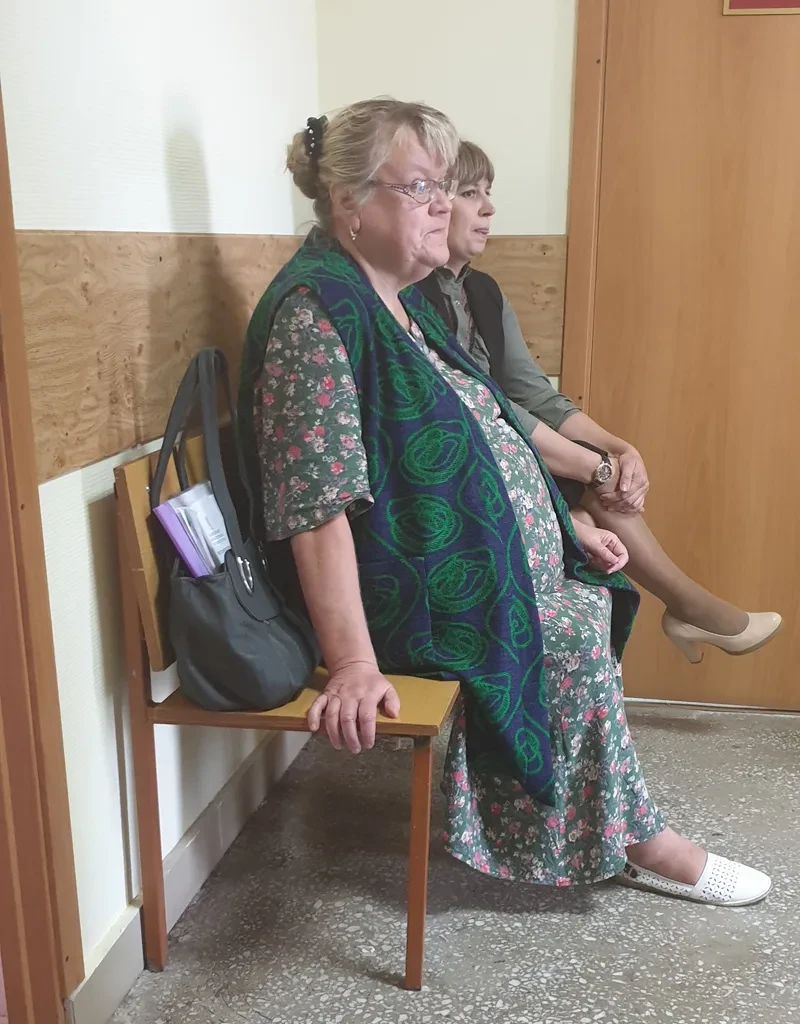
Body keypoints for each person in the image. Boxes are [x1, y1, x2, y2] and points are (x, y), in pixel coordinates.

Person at [238, 99, 770, 905]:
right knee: (564, 626)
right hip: (397, 596)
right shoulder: (317, 315)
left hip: (450, 561)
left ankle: (612, 823)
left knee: (584, 596)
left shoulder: (396, 300)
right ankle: (640, 841)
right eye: (421, 187)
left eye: (444, 186)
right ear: (350, 202)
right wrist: (352, 664)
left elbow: (488, 427)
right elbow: (316, 509)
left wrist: (561, 524)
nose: (442, 206)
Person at [417, 141, 782, 665]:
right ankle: (689, 606)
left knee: (593, 493)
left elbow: (532, 392)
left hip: (511, 453)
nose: (489, 209)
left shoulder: (484, 291)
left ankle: (685, 605)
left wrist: (620, 448)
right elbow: (486, 406)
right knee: (589, 496)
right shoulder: (410, 296)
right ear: (431, 203)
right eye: (471, 193)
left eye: (488, 193)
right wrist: (595, 467)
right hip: (462, 462)